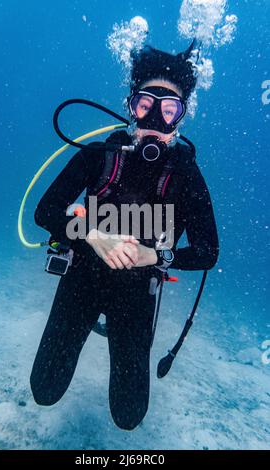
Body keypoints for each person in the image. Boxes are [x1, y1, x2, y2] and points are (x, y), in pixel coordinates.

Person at [30, 43, 219, 430]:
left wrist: (156, 258)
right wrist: (91, 234)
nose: (156, 120)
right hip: (82, 276)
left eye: (170, 111)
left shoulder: (184, 175)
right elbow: (44, 212)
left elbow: (208, 251)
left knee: (129, 416)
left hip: (136, 291)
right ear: (132, 107)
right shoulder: (100, 155)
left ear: (182, 118)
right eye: (146, 106)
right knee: (43, 390)